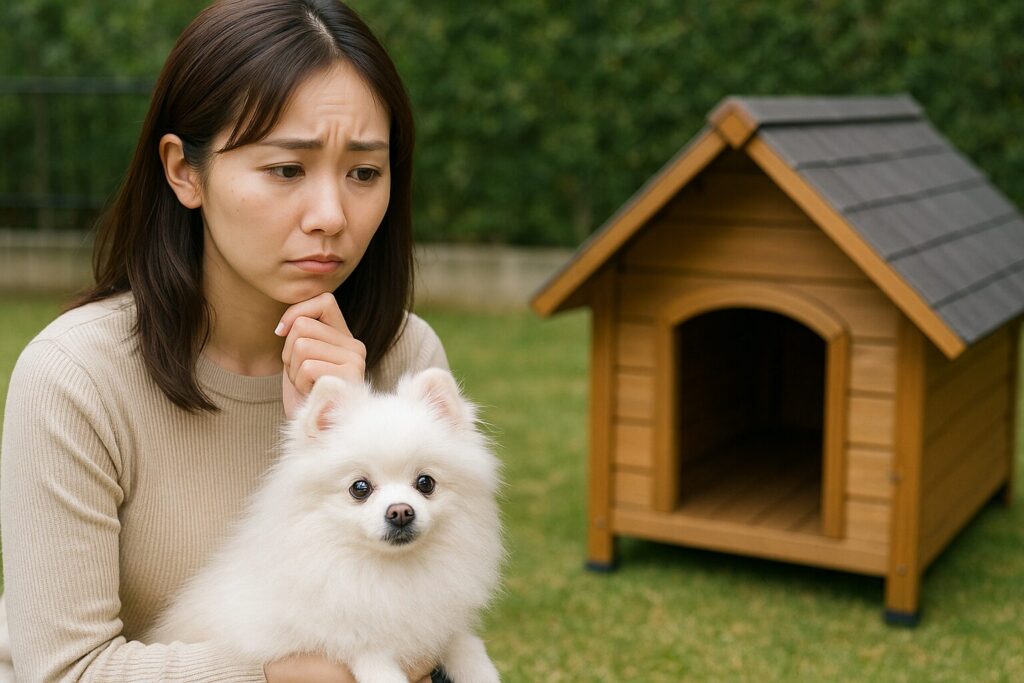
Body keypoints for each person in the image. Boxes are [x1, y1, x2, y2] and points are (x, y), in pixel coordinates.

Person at [0, 1, 453, 681]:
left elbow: (430, 628)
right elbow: (64, 670)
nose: (332, 215)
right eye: (286, 170)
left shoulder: (404, 357)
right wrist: (286, 674)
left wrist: (350, 427)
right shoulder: (74, 378)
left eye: (364, 173)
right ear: (185, 171)